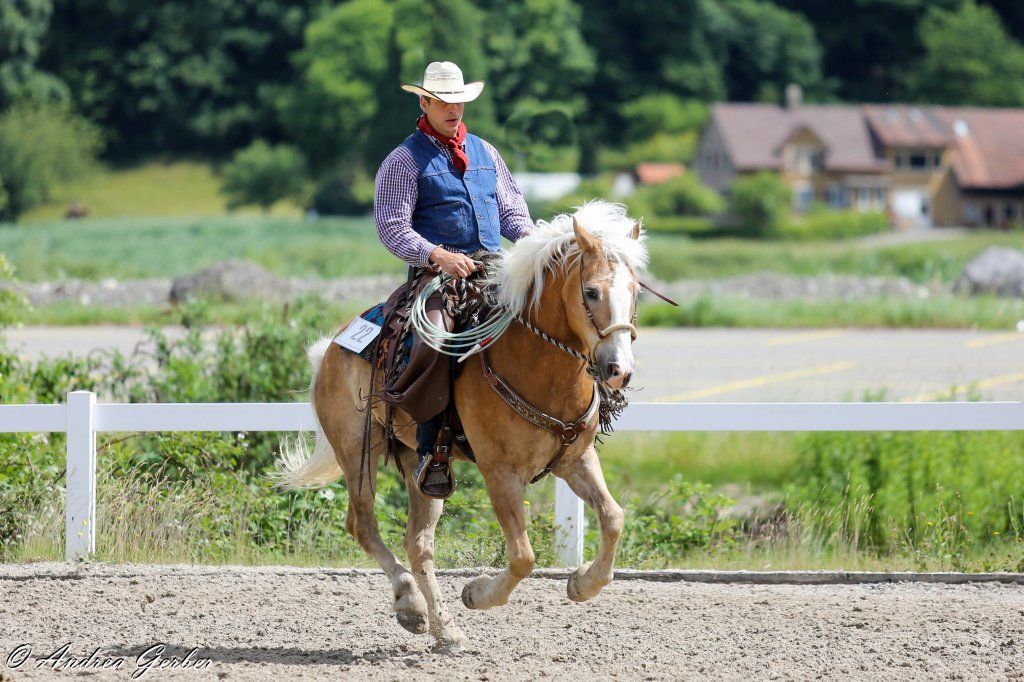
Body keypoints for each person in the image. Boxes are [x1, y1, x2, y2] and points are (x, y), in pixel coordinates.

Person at [374, 61, 533, 497]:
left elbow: (512, 212)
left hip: (494, 269)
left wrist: (536, 242)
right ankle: (433, 448)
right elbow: (391, 226)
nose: (453, 109)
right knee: (437, 338)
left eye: (458, 101)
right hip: (437, 278)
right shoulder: (403, 160)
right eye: (444, 102)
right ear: (424, 103)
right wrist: (438, 255)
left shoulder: (486, 152)